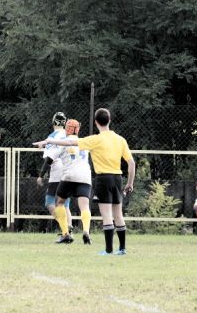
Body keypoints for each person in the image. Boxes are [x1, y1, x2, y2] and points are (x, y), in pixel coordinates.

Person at [34, 108, 135, 255]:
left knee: (106, 215)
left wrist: (49, 141)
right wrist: (130, 183)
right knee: (117, 214)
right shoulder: (121, 140)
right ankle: (122, 248)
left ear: (95, 122)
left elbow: (69, 143)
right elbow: (131, 163)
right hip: (116, 178)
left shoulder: (94, 139)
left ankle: (108, 250)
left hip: (102, 179)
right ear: (110, 120)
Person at [36, 112, 73, 243]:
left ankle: (65, 229)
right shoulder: (68, 135)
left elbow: (49, 158)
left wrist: (41, 175)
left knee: (50, 202)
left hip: (57, 172)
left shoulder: (52, 136)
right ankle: (68, 227)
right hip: (69, 171)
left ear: (53, 123)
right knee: (65, 204)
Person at [55, 119, 93, 245]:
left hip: (69, 175)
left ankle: (66, 234)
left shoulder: (63, 142)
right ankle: (86, 231)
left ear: (67, 129)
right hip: (85, 176)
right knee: (85, 206)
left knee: (59, 203)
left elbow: (51, 158)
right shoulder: (83, 143)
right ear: (78, 129)